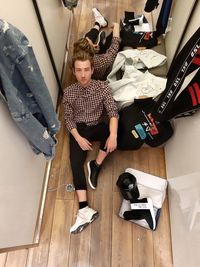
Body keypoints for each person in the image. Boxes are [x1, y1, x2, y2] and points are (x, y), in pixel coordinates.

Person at [63, 49, 119, 234]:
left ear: (93, 70)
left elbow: (112, 112)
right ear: (73, 71)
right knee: (75, 164)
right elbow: (68, 119)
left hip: (96, 124)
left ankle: (96, 165)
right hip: (79, 129)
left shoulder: (102, 87)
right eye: (79, 70)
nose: (83, 74)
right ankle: (84, 209)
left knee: (114, 133)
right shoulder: (69, 93)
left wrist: (113, 136)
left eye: (86, 69)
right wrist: (78, 138)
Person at [73, 8, 121, 80]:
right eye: (90, 43)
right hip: (102, 76)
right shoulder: (102, 61)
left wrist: (91, 46)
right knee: (115, 37)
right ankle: (99, 25)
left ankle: (99, 23)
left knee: (87, 37)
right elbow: (114, 47)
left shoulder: (75, 60)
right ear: (92, 51)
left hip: (92, 61)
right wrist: (117, 26)